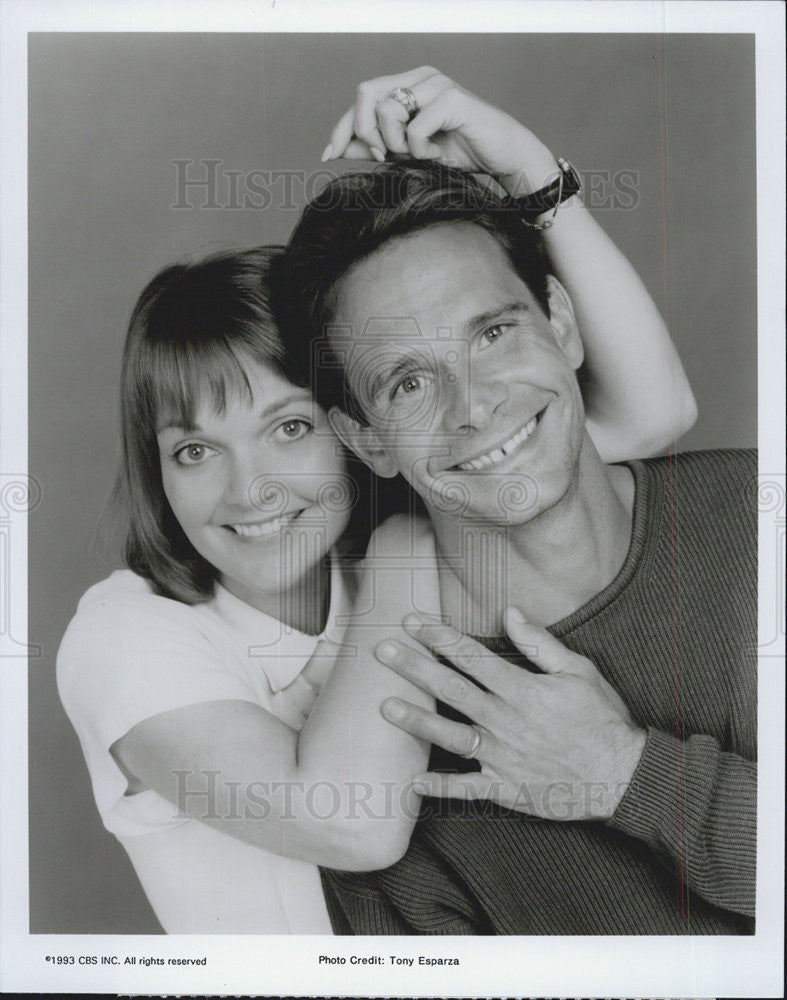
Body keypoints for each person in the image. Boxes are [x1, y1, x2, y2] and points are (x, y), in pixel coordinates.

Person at [57, 71, 696, 935]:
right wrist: (401, 549)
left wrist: (532, 177)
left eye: (287, 429)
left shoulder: (391, 519)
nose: (249, 491)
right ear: (155, 470)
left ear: (354, 430)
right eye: (194, 450)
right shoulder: (127, 632)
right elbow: (350, 823)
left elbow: (649, 415)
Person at [276, 70, 756, 934]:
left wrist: (625, 774)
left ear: (562, 325)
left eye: (494, 333)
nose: (474, 405)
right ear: (365, 440)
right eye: (410, 382)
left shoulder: (762, 527)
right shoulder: (401, 769)